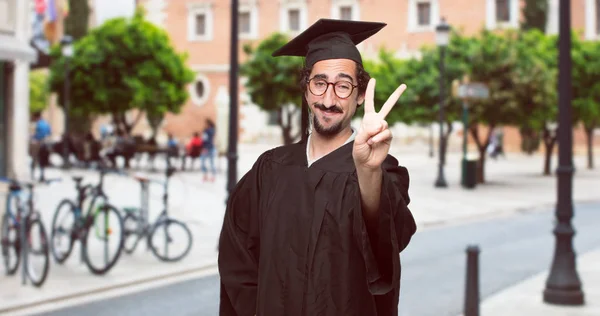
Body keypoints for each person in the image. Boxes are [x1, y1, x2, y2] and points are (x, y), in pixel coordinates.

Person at [218, 19, 417, 316]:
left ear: (360, 95)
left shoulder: (380, 170)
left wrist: (368, 171)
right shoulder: (270, 169)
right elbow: (237, 256)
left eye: (343, 86)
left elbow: (391, 237)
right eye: (319, 83)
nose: (328, 99)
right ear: (307, 90)